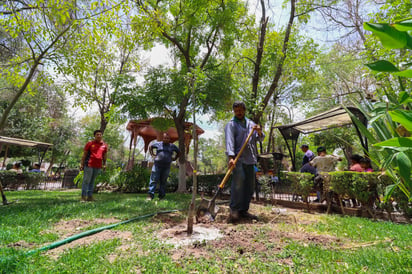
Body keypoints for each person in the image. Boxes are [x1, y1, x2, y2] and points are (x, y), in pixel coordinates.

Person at [225, 101, 264, 222]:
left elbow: (260, 138)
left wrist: (259, 131)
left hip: (250, 159)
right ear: (234, 112)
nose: (239, 113)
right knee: (238, 184)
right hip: (238, 159)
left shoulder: (251, 123)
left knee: (249, 185)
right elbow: (230, 141)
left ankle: (243, 210)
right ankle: (234, 210)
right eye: (236, 111)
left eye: (241, 110)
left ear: (244, 110)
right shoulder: (231, 125)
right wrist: (231, 157)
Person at [147, 132, 180, 200]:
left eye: (167, 138)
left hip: (166, 167)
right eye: (165, 138)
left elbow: (179, 152)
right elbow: (150, 147)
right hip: (157, 165)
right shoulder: (158, 144)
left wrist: (174, 158)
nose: (166, 139)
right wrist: (153, 155)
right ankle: (150, 195)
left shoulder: (172, 146)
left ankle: (161, 196)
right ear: (163, 138)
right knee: (153, 180)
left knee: (163, 181)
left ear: (169, 139)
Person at [80, 130, 108, 202]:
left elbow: (104, 155)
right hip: (89, 164)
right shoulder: (90, 143)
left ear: (102, 136)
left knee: (92, 181)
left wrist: (104, 164)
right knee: (86, 180)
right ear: (94, 136)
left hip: (98, 165)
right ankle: (83, 197)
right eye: (97, 134)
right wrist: (81, 164)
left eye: (100, 134)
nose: (99, 136)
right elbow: (84, 154)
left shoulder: (104, 145)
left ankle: (90, 197)